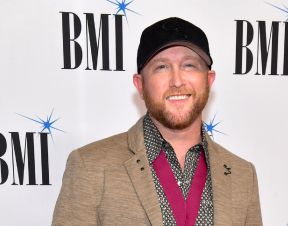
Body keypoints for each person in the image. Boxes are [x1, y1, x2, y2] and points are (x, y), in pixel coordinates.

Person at [52, 17, 263, 226]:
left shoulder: (243, 175)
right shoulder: (90, 166)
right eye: (161, 67)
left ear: (209, 80)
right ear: (140, 84)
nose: (177, 81)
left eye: (189, 65)